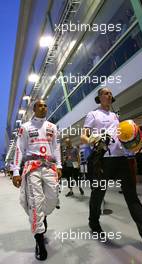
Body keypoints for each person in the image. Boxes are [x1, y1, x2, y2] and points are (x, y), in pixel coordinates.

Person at [81, 87, 142, 252]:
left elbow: (121, 137)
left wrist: (132, 144)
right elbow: (83, 136)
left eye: (110, 93)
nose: (109, 95)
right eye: (106, 93)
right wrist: (92, 140)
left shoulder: (115, 116)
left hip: (121, 159)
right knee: (98, 194)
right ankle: (94, 222)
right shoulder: (93, 115)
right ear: (99, 97)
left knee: (132, 197)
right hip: (103, 161)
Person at [12, 100, 62, 261]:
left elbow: (56, 147)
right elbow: (19, 148)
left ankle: (42, 216)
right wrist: (15, 170)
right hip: (31, 167)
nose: (44, 107)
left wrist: (59, 165)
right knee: (36, 202)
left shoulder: (52, 127)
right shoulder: (25, 127)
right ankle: (39, 241)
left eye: (46, 105)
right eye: (40, 105)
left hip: (49, 167)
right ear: (34, 109)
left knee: (53, 198)